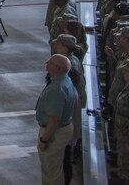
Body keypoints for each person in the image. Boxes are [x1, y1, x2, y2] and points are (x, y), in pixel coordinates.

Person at [35, 54, 76, 185]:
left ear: (57, 68)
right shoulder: (63, 80)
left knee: (51, 170)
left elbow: (54, 119)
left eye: (50, 62)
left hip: (54, 132)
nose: (47, 62)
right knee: (54, 167)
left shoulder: (57, 89)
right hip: (61, 128)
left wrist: (44, 139)